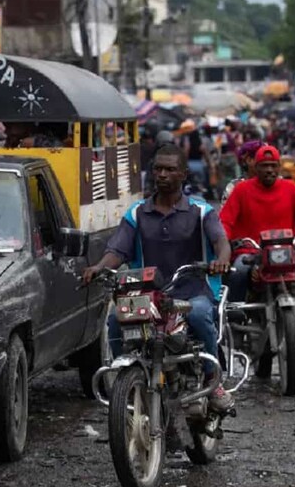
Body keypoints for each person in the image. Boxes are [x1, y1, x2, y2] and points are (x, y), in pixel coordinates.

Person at [82, 144, 234, 412]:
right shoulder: (137, 212)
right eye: (158, 169)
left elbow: (220, 240)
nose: (162, 174)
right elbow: (117, 250)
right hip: (147, 295)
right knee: (116, 319)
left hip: (192, 291)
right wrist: (100, 267)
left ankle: (213, 380)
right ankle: (126, 377)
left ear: (183, 174)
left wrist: (221, 259)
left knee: (200, 315)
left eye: (170, 169)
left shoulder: (201, 211)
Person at [220, 144, 295, 344]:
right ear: (256, 168)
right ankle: (236, 324)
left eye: (273, 165)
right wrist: (223, 241)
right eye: (264, 166)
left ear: (279, 167)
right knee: (238, 272)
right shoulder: (241, 190)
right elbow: (225, 221)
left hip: (286, 251)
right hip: (251, 251)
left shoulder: (290, 188)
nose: (269, 170)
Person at [220, 140, 261, 206]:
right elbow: (225, 211)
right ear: (249, 160)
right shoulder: (234, 187)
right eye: (261, 158)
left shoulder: (272, 184)